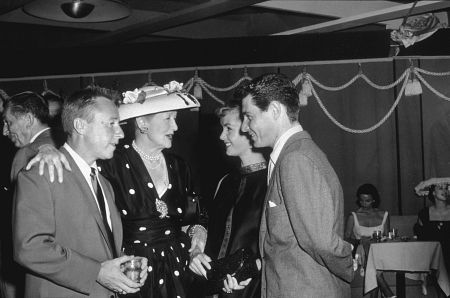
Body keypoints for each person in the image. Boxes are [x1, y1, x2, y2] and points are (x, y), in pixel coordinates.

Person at [27, 82, 205, 298]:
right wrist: (46, 148)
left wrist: (196, 245)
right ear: (142, 123)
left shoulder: (179, 166)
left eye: (175, 119)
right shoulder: (111, 162)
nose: (175, 127)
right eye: (168, 118)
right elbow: (76, 154)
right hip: (128, 274)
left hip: (177, 270)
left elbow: (193, 217)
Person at [13, 87, 147, 297]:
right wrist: (97, 272)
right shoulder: (40, 174)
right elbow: (30, 248)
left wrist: (123, 264)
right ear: (80, 126)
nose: (121, 133)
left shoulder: (104, 183)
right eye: (111, 123)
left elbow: (99, 245)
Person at [238, 73, 353, 297]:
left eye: (249, 116)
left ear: (275, 110)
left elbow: (321, 242)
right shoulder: (293, 155)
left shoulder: (295, 159)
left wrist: (352, 264)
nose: (244, 127)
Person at [189, 97, 266, 297]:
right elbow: (204, 223)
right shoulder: (224, 182)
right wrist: (196, 251)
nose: (222, 136)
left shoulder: (273, 181)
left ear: (249, 128)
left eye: (228, 129)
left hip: (253, 288)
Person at [344, 183, 395, 298]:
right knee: (367, 247)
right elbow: (346, 239)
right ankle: (388, 293)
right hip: (360, 251)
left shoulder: (384, 215)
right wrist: (360, 241)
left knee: (372, 251)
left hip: (380, 251)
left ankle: (386, 294)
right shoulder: (353, 216)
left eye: (367, 201)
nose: (364, 203)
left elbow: (387, 237)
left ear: (374, 200)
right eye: (361, 200)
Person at [3, 91, 65, 183]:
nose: (4, 132)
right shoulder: (67, 141)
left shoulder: (26, 154)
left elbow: (20, 196)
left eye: (9, 123)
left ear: (28, 120)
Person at [414, 177, 450, 295]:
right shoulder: (424, 213)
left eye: (446, 188)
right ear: (433, 193)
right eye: (440, 188)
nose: (445, 191)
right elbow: (421, 237)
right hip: (433, 257)